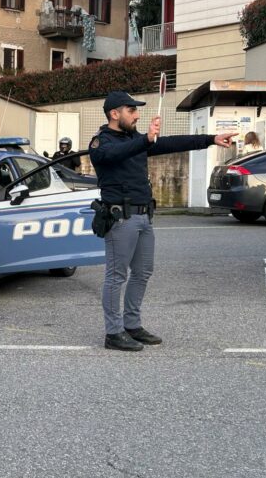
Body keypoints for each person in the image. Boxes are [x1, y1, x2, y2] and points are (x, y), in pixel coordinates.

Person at [88, 91, 236, 351]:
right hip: (120, 218)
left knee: (143, 272)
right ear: (114, 114)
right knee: (116, 276)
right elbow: (115, 155)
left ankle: (132, 325)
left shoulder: (136, 139)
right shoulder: (102, 143)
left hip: (144, 216)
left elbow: (173, 143)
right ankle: (113, 332)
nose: (136, 114)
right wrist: (146, 139)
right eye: (131, 110)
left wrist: (211, 139)